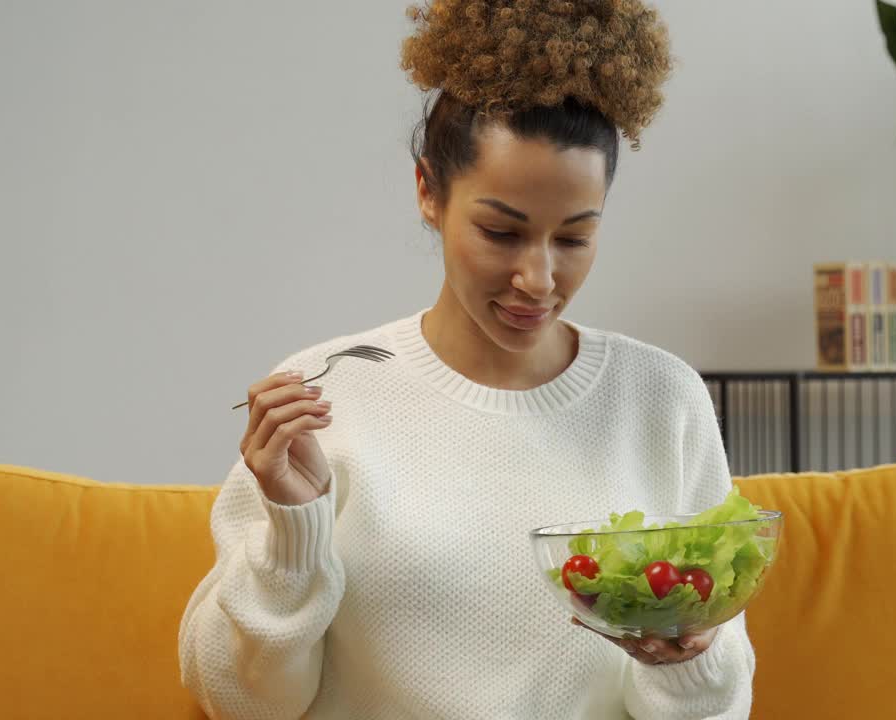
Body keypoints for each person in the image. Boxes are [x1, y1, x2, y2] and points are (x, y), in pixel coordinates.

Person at [178, 1, 756, 717]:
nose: (539, 280)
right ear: (428, 191)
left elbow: (719, 710)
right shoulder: (328, 400)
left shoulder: (660, 398)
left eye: (573, 239)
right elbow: (238, 701)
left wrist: (685, 660)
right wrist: (296, 535)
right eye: (500, 232)